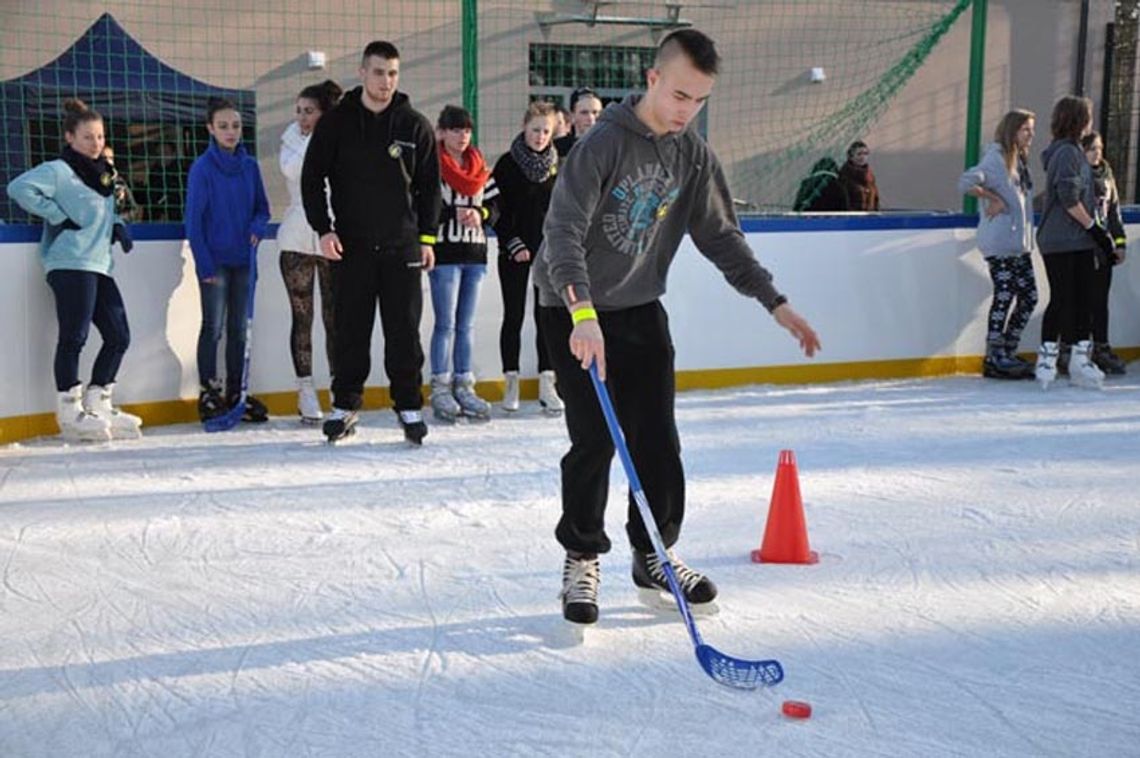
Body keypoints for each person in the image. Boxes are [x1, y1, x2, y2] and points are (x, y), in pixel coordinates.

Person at [533, 29, 821, 625]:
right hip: (571, 307)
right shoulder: (602, 145)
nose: (687, 111)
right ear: (653, 79)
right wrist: (583, 313)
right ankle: (582, 557)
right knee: (594, 439)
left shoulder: (692, 156)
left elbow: (721, 238)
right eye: (680, 95)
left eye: (700, 101)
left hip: (638, 308)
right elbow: (561, 233)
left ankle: (656, 553)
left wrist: (775, 301)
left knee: (658, 439)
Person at [301, 40, 441, 444]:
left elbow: (430, 188)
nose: (386, 81)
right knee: (350, 330)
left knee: (404, 331)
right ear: (362, 73)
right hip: (352, 247)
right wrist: (324, 229)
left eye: (393, 73)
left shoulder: (414, 124)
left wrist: (427, 237)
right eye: (378, 72)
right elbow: (313, 180)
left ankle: (409, 406)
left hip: (403, 248)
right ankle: (345, 406)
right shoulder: (336, 123)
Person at [6, 98, 141, 441]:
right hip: (69, 262)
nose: (95, 143)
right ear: (70, 137)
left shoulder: (105, 175)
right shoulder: (59, 170)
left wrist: (117, 225)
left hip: (99, 264)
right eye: (87, 137)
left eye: (99, 137)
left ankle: (99, 403)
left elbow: (103, 211)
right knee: (74, 337)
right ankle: (70, 413)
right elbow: (18, 187)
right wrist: (56, 215)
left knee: (119, 335)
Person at [185, 97, 272, 423]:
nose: (230, 132)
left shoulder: (250, 167)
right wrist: (204, 265)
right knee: (214, 327)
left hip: (244, 261)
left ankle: (237, 391)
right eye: (223, 126)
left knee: (239, 329)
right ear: (210, 128)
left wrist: (257, 226)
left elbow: (262, 208)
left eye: (235, 126)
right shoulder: (202, 169)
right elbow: (194, 222)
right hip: (216, 263)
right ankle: (209, 391)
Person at [429, 105, 500, 423]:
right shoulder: (431, 166)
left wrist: (481, 214)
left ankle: (464, 384)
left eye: (466, 130)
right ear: (441, 132)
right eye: (455, 130)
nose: (462, 136)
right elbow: (421, 206)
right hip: (444, 254)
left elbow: (497, 206)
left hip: (475, 254)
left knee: (465, 325)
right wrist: (450, 215)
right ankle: (440, 385)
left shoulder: (480, 165)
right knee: (445, 323)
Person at [491, 101, 563, 415]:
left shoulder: (557, 165)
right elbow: (495, 211)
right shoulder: (507, 164)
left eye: (546, 131)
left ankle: (548, 383)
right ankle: (512, 380)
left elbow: (561, 211)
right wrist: (513, 242)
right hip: (514, 253)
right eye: (535, 130)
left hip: (546, 254)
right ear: (524, 127)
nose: (540, 136)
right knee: (514, 316)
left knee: (546, 316)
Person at [1035, 95, 1111, 389]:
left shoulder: (1072, 152)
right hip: (1063, 239)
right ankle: (1047, 358)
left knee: (1083, 299)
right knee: (1063, 297)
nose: (1090, 122)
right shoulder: (1067, 153)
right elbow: (1069, 199)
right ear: (1078, 120)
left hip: (1076, 240)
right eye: (1087, 117)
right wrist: (1095, 229)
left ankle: (1080, 357)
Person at [278, 79, 343, 424]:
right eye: (299, 111)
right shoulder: (290, 139)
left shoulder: (341, 139)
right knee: (302, 319)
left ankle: (338, 388)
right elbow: (297, 171)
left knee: (335, 319)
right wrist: (317, 139)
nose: (302, 118)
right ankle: (305, 389)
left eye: (310, 111)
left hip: (332, 237)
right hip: (295, 237)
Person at [958, 109, 1038, 380]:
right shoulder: (996, 158)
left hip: (1019, 243)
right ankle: (994, 356)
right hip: (1000, 241)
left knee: (1029, 296)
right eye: (1026, 129)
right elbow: (966, 181)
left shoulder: (1020, 160)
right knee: (1005, 293)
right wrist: (992, 198)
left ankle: (1007, 348)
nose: (1031, 134)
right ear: (1013, 130)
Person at [1080, 131, 1128, 375]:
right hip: (1082, 247)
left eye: (1099, 148)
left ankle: (1101, 347)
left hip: (1103, 249)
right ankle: (1074, 349)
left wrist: (1120, 243)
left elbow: (1114, 214)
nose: (1097, 153)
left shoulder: (1107, 177)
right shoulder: (1079, 175)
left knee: (1100, 302)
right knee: (1079, 301)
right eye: (1091, 149)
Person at [554, 87, 603, 158]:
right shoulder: (557, 149)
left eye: (595, 112)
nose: (591, 118)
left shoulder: (611, 147)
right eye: (584, 113)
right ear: (572, 116)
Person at [101, 146, 142, 222]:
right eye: (104, 158)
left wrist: (119, 219)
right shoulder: (91, 180)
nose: (108, 161)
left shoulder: (120, 182)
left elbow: (134, 209)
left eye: (111, 158)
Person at [837, 140, 880, 211]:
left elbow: (875, 199)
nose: (863, 157)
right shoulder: (845, 175)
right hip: (852, 218)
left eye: (865, 154)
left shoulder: (870, 176)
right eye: (859, 154)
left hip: (870, 217)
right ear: (851, 156)